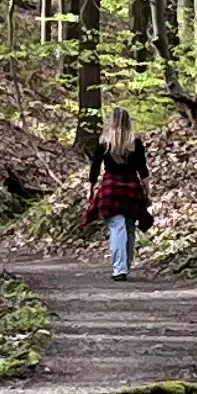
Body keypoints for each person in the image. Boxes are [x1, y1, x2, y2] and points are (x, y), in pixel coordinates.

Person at [79, 107, 154, 279]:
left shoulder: (104, 141)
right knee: (129, 227)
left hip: (111, 189)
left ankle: (119, 269)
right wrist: (147, 194)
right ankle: (125, 266)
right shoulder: (135, 142)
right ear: (129, 122)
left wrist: (91, 188)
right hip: (132, 189)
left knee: (117, 227)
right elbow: (143, 171)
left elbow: (95, 168)